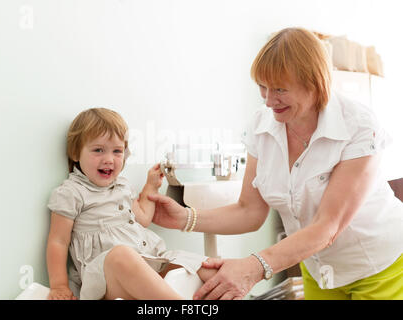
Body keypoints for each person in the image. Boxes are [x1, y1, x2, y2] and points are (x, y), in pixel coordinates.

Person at [148, 27, 403, 300]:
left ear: (315, 83)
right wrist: (185, 219)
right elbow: (249, 210)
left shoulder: (358, 126)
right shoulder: (262, 127)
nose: (269, 100)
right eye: (262, 86)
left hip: (380, 266)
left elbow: (327, 226)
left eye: (280, 89)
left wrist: (254, 267)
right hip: (320, 270)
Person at [46, 107, 215, 300]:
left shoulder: (122, 186)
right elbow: (58, 241)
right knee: (120, 255)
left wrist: (150, 187)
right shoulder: (72, 192)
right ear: (76, 153)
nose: (109, 159)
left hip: (147, 260)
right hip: (107, 281)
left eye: (117, 151)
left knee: (207, 266)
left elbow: (142, 218)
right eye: (98, 150)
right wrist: (59, 285)